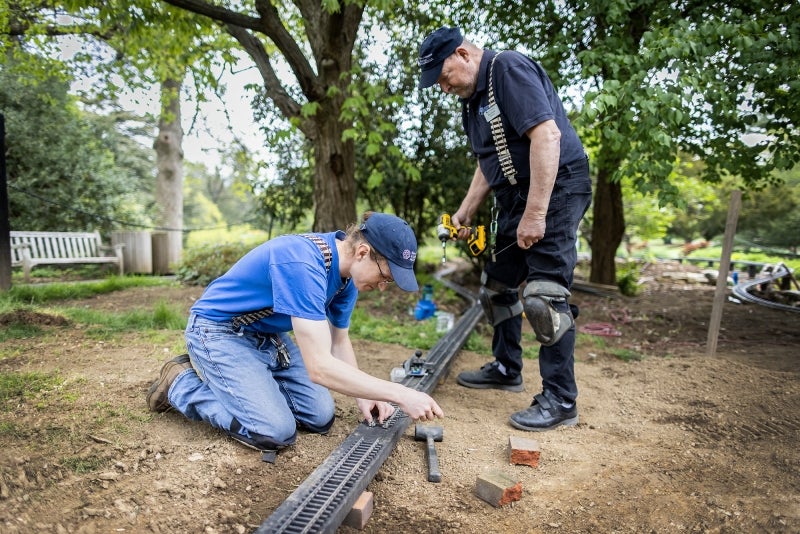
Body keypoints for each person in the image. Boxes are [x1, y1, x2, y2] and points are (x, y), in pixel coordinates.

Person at [146, 212, 443, 458]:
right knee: (274, 432)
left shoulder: (347, 279)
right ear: (363, 252)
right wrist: (400, 393)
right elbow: (320, 367)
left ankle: (252, 383)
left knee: (320, 416)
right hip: (219, 332)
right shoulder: (302, 263)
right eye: (385, 277)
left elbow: (339, 341)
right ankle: (180, 384)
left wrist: (364, 397)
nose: (382, 287)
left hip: (266, 337)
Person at [418, 27, 592, 431]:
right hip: (514, 195)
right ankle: (506, 367)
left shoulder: (507, 69)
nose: (444, 88)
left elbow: (546, 136)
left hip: (556, 187)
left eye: (444, 77)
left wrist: (536, 214)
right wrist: (465, 211)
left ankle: (561, 400)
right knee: (497, 288)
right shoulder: (471, 100)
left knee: (543, 297)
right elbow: (488, 161)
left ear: (462, 54)